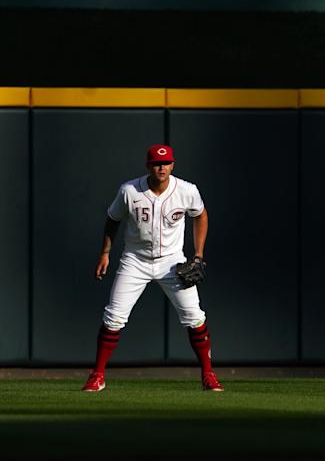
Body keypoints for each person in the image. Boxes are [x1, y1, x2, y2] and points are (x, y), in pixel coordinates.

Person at [82, 143, 223, 392]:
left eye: (166, 162)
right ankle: (97, 376)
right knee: (114, 316)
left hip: (172, 261)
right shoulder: (129, 190)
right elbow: (113, 220)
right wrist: (105, 252)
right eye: (157, 163)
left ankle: (208, 374)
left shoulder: (187, 190)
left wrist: (199, 254)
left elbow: (200, 215)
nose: (162, 167)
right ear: (148, 165)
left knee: (195, 317)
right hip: (135, 261)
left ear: (173, 164)